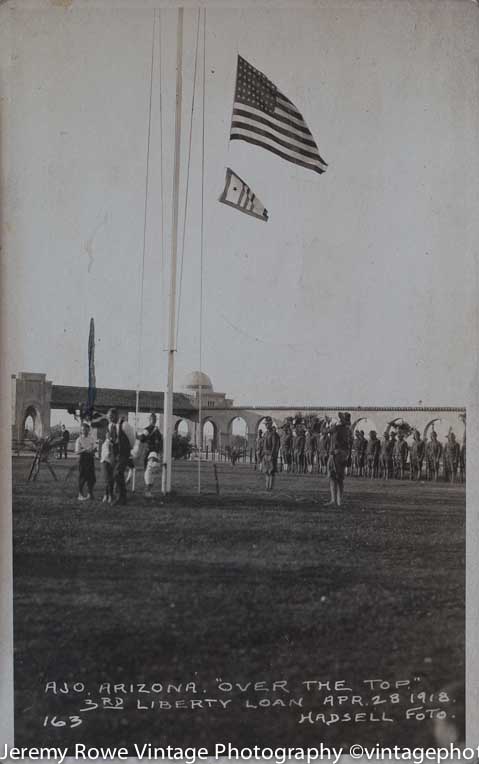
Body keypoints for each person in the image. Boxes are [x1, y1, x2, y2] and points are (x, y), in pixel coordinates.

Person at [326, 412, 352, 507]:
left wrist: (328, 422)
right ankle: (337, 501)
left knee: (335, 478)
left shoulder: (337, 428)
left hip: (336, 454)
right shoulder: (347, 430)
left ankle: (335, 500)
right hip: (341, 454)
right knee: (337, 478)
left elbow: (324, 431)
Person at [106, 408, 131, 505]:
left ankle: (121, 497)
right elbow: (111, 439)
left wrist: (129, 451)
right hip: (114, 453)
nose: (111, 419)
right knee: (116, 474)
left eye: (112, 416)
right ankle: (122, 497)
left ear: (117, 415)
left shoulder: (124, 425)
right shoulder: (110, 426)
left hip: (124, 453)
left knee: (118, 472)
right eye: (109, 417)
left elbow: (131, 438)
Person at [75, 422, 96, 501]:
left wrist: (94, 450)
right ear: (81, 431)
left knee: (92, 478)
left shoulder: (91, 438)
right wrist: (85, 449)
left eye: (87, 430)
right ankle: (80, 494)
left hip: (90, 459)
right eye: (84, 430)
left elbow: (94, 448)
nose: (85, 431)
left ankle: (90, 493)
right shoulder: (79, 439)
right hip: (83, 459)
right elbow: (77, 452)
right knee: (82, 477)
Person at [262, 417, 280, 490]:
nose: (266, 425)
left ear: (270, 424)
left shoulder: (273, 434)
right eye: (265, 424)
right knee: (266, 471)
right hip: (265, 454)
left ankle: (270, 487)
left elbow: (274, 445)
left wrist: (272, 455)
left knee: (271, 472)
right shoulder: (265, 433)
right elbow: (263, 444)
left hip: (270, 455)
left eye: (267, 424)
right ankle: (267, 486)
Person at [100, 431, 115, 503]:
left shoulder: (111, 444)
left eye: (110, 435)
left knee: (110, 480)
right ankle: (109, 495)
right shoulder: (106, 444)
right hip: (105, 462)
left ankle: (108, 495)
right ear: (106, 436)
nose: (109, 436)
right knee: (108, 480)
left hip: (110, 463)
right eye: (107, 435)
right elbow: (107, 454)